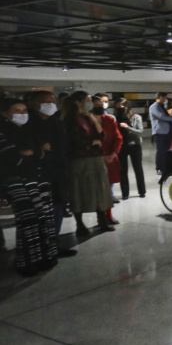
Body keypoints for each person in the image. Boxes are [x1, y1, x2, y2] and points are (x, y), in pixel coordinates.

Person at [1, 98, 60, 276]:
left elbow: (42, 153)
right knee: (28, 221)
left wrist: (33, 153)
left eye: (24, 110)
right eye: (17, 110)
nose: (22, 114)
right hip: (16, 180)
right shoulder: (4, 131)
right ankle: (26, 261)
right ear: (5, 113)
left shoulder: (28, 130)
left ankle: (45, 256)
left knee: (44, 218)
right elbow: (12, 158)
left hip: (38, 178)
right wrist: (35, 153)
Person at [62, 91, 116, 236]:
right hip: (80, 159)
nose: (91, 103)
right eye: (88, 100)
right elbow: (73, 140)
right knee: (79, 191)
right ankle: (80, 224)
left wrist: (91, 117)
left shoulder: (87, 116)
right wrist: (93, 142)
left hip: (95, 158)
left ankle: (103, 221)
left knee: (100, 189)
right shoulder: (70, 118)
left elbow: (102, 135)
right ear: (80, 101)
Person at [24, 91, 71, 242]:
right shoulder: (27, 123)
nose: (50, 105)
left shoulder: (56, 121)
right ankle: (40, 244)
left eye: (52, 102)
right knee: (39, 211)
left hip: (59, 171)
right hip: (37, 173)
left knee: (58, 206)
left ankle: (53, 242)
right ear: (34, 103)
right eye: (46, 102)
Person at [92, 94, 122, 223]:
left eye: (102, 103)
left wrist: (114, 153)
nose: (100, 106)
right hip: (93, 159)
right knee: (97, 190)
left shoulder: (109, 120)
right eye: (97, 104)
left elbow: (118, 138)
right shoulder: (85, 120)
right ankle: (100, 217)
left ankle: (108, 215)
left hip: (109, 159)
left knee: (108, 189)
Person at [113, 98, 145, 200]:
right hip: (121, 146)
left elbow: (140, 131)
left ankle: (142, 191)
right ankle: (125, 193)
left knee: (138, 168)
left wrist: (128, 127)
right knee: (122, 170)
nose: (120, 108)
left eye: (122, 106)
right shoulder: (115, 118)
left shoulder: (136, 117)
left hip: (134, 145)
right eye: (118, 106)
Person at [149, 91, 172, 174]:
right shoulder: (154, 107)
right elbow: (161, 117)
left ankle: (166, 166)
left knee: (167, 150)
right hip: (159, 132)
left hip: (166, 131)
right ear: (160, 97)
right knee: (161, 151)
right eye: (165, 97)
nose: (166, 99)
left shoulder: (162, 106)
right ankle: (159, 168)